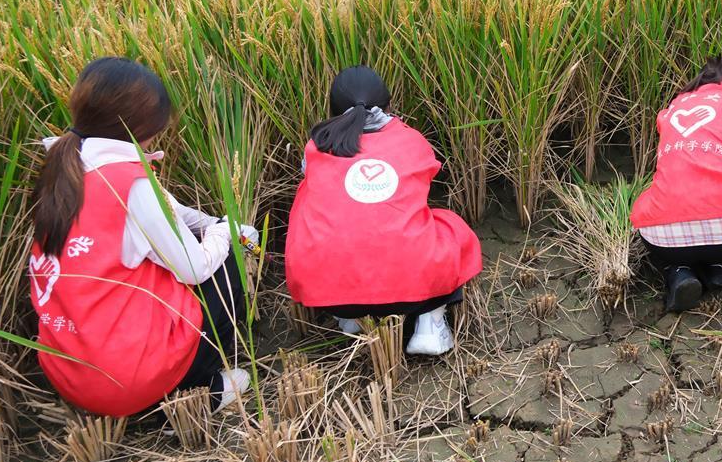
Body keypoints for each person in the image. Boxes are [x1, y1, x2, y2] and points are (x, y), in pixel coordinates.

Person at [28, 58, 254, 418]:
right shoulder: (131, 185)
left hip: (70, 373)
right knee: (224, 263)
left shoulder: (63, 164)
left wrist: (214, 223)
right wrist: (223, 232)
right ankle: (197, 387)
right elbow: (195, 269)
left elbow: (171, 212)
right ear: (143, 127)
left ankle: (157, 387)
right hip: (127, 381)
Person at [285, 66, 482, 355]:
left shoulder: (317, 145)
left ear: (333, 108)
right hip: (412, 288)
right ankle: (430, 325)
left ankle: (350, 319)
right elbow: (428, 174)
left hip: (329, 291)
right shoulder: (410, 139)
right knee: (449, 227)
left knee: (318, 212)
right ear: (388, 104)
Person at [630, 57, 722, 312]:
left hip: (665, 237)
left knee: (648, 210)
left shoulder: (675, 106)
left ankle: (679, 272)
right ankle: (714, 266)